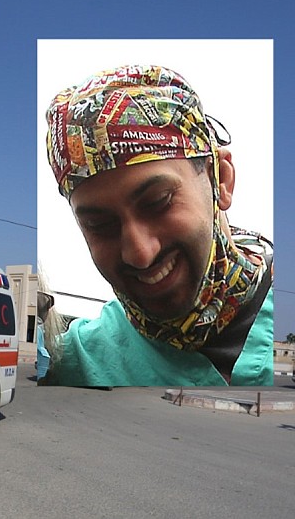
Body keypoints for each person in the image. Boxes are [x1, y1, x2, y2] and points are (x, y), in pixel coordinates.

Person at [41, 65, 273, 387]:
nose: (140, 253)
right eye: (99, 225)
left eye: (158, 202)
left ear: (220, 178)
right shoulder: (69, 362)